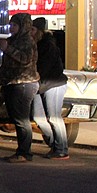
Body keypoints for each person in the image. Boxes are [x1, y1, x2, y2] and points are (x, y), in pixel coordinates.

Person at [0, 13, 39, 163]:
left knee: (22, 119)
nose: (11, 28)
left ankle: (25, 152)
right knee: (16, 118)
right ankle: (21, 151)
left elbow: (25, 59)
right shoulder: (13, 40)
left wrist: (8, 49)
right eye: (11, 25)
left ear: (23, 26)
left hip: (23, 84)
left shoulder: (27, 41)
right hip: (11, 83)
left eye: (14, 25)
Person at [31, 17, 70, 160]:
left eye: (33, 30)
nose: (31, 32)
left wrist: (35, 76)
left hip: (53, 84)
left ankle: (61, 149)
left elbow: (45, 68)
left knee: (54, 117)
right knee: (38, 117)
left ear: (40, 31)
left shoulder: (48, 45)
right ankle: (56, 144)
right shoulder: (37, 44)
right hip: (42, 86)